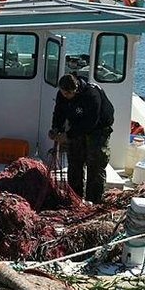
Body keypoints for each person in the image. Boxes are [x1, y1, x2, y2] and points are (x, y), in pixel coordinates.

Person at [48, 73, 114, 203]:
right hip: (77, 125)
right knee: (75, 161)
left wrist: (67, 135)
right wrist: (56, 128)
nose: (65, 96)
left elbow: (90, 122)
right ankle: (75, 197)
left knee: (95, 164)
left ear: (76, 90)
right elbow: (59, 112)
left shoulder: (91, 95)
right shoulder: (62, 95)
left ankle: (94, 200)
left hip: (98, 129)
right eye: (63, 93)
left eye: (68, 94)